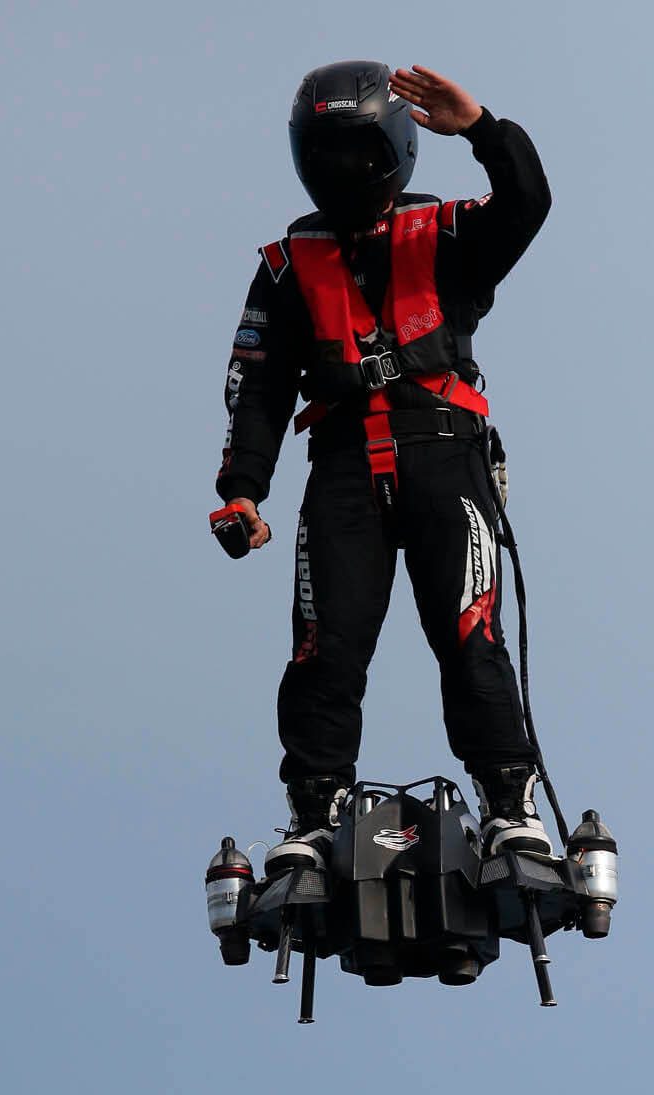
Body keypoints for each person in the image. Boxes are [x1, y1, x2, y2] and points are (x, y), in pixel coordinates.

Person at [212, 61, 552, 874]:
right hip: (340, 474)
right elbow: (256, 392)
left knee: (470, 635)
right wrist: (240, 492)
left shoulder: (451, 235)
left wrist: (481, 129)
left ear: (394, 148)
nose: (341, 171)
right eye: (323, 155)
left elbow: (530, 202)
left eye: (355, 152)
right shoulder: (287, 265)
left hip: (445, 457)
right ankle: (314, 815)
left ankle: (511, 804)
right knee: (322, 651)